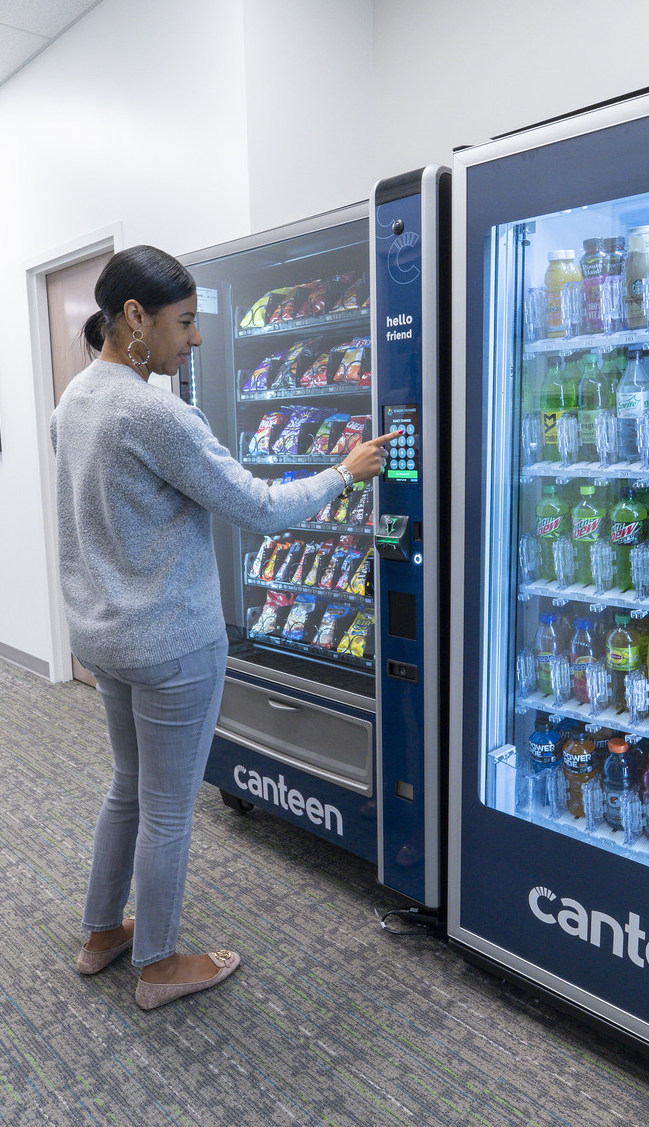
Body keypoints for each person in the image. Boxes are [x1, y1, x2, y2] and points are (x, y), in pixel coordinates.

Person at [50, 245, 396, 1010]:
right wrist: (347, 471)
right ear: (133, 317)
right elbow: (262, 510)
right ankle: (161, 964)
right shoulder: (155, 412)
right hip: (172, 643)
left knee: (128, 789)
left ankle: (102, 932)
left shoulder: (74, 400)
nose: (196, 339)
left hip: (106, 637)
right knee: (169, 808)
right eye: (183, 322)